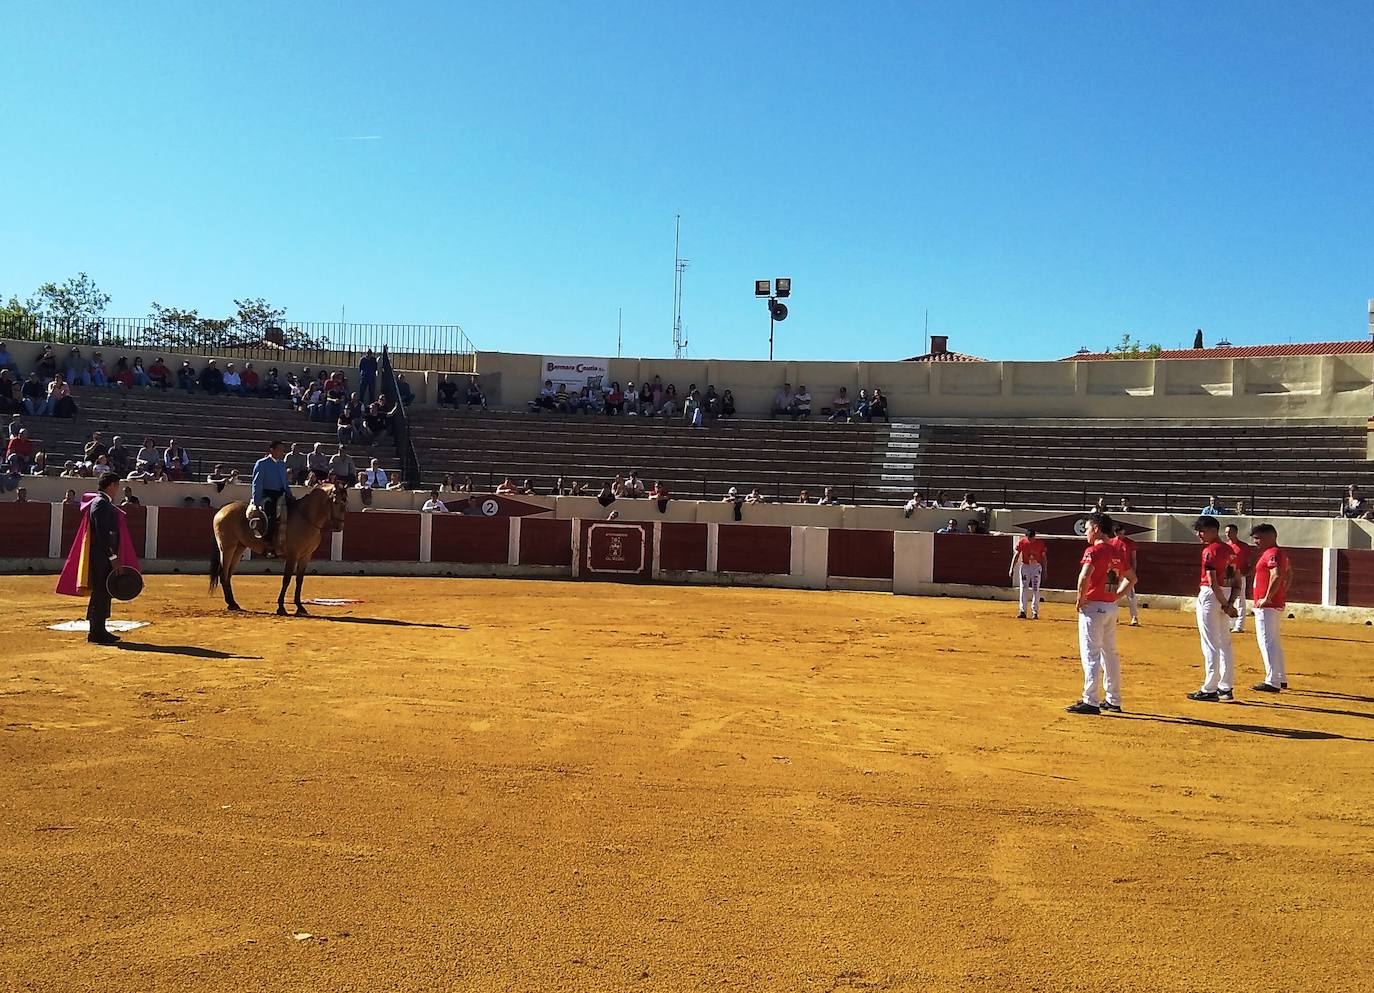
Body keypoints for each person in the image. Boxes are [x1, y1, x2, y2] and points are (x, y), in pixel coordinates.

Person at [1066, 512, 1136, 715]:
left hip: (1093, 607)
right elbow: (1132, 578)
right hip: (1109, 607)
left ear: (1096, 528)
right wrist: (1115, 596)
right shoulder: (1117, 552)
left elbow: (1084, 576)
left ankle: (1091, 700)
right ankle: (1113, 699)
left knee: (1091, 654)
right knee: (1110, 654)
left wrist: (1080, 599)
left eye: (1087, 529)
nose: (1086, 533)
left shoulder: (1093, 551)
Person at [75, 473, 132, 643]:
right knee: (101, 592)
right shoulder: (101, 504)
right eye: (117, 485)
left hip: (102, 555)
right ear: (110, 486)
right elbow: (102, 534)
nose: (118, 489)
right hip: (102, 556)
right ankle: (96, 632)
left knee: (103, 592)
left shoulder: (101, 503)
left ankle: (99, 630)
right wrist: (113, 556)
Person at [1187, 516, 1238, 703]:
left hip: (1211, 595)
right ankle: (1226, 687)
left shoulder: (1210, 551)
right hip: (1226, 593)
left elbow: (1212, 581)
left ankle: (1209, 688)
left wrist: (1224, 603)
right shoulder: (1230, 550)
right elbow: (1236, 580)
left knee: (1210, 643)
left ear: (1213, 531)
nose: (1199, 534)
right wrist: (1229, 602)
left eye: (1202, 531)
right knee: (1225, 642)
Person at [1249, 523, 1292, 693]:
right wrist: (1281, 592)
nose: (1255, 541)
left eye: (1258, 538)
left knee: (1267, 642)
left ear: (1271, 536)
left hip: (1268, 604)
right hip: (1272, 603)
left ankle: (1272, 681)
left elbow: (1277, 575)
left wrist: (1267, 597)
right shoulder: (1278, 553)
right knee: (1273, 641)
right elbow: (1289, 574)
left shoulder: (1272, 553)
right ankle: (1280, 677)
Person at [249, 440, 295, 557]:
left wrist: (290, 494)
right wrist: (256, 500)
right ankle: (268, 543)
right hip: (267, 494)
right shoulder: (262, 463)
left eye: (282, 450)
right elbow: (257, 483)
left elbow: (285, 483)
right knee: (271, 513)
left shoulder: (281, 464)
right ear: (272, 450)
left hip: (281, 494)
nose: (282, 453)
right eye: (279, 450)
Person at [1009, 528, 1048, 620]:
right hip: (1025, 566)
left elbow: (1044, 558)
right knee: (1023, 588)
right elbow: (1016, 555)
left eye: (1032, 538)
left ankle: (1035, 612)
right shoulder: (1023, 542)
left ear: (1034, 537)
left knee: (1035, 588)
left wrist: (1045, 570)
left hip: (1036, 567)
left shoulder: (1040, 543)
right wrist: (1012, 568)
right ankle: (1022, 611)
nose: (1030, 540)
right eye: (1029, 538)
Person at [1223, 522, 1252, 634]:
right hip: (1227, 576)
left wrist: (1246, 573)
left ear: (1236, 532)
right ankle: (1230, 623)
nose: (1227, 534)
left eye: (1230, 532)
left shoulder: (1244, 547)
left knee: (1240, 600)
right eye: (1226, 532)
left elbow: (1249, 562)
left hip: (1239, 575)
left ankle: (1239, 625)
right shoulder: (1225, 546)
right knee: (1229, 599)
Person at [1110, 522, 1141, 626]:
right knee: (1111, 596)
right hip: (1114, 573)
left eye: (1123, 533)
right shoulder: (1110, 543)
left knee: (1131, 596)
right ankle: (1114, 617)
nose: (1122, 536)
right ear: (1115, 533)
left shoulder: (1130, 543)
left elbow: (1133, 559)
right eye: (1120, 533)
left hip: (1127, 573)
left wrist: (1133, 572)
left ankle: (1134, 618)